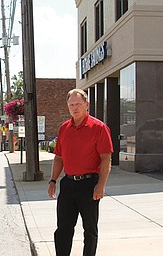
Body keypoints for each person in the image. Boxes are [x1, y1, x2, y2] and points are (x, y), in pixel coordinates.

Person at [48, 89, 113, 256]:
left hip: (89, 184)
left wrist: (101, 185)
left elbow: (106, 159)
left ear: (87, 105)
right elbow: (59, 158)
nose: (74, 108)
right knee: (63, 229)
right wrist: (53, 180)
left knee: (90, 230)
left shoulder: (99, 128)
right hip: (68, 185)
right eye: (71, 105)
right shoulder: (64, 128)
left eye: (78, 104)